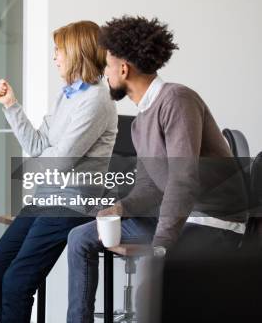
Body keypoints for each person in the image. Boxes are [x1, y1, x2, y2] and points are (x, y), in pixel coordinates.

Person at [66, 16, 248, 323]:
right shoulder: (141, 122)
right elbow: (151, 188)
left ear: (123, 69)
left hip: (212, 222)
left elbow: (182, 180)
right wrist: (119, 208)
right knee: (80, 237)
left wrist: (161, 249)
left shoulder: (177, 99)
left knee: (150, 295)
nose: (104, 74)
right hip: (180, 217)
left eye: (108, 66)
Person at [0, 21, 118, 323]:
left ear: (76, 52)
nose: (54, 57)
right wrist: (11, 106)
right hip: (46, 196)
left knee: (17, 282)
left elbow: (60, 162)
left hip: (71, 203)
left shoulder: (97, 100)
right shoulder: (67, 94)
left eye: (58, 51)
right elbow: (38, 144)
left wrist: (45, 161)